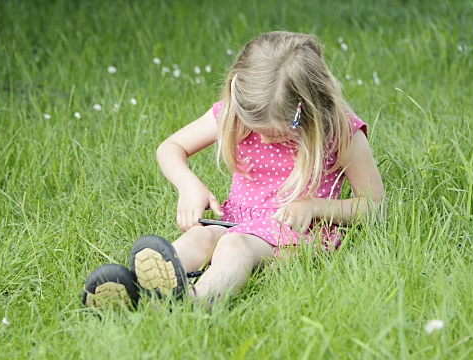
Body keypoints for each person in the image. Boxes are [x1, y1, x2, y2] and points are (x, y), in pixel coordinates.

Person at [82, 31, 385, 310]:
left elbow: (374, 206)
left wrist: (315, 206)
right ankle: (135, 287)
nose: (264, 139)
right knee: (199, 238)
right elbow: (170, 147)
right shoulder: (236, 114)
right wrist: (188, 185)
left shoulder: (340, 131)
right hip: (238, 222)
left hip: (297, 236)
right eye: (257, 130)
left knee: (233, 246)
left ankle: (191, 304)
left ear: (306, 110)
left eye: (278, 134)